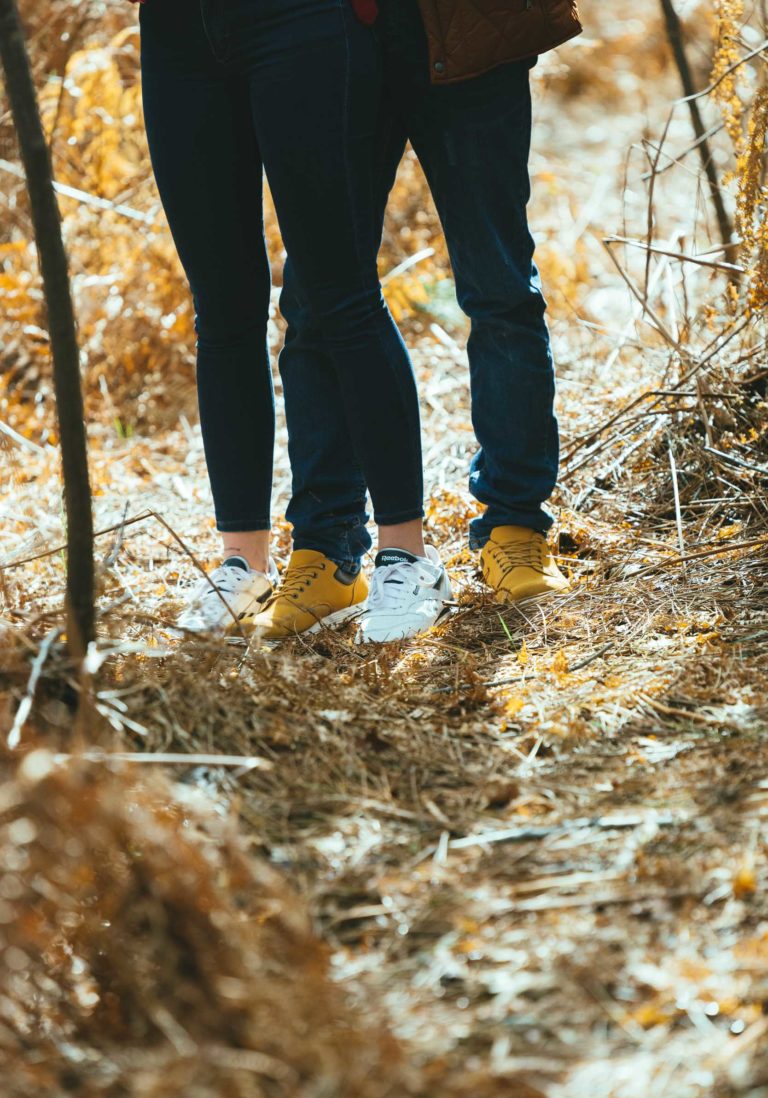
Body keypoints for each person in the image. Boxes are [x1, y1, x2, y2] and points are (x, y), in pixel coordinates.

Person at [245, 0, 582, 644]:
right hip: (330, 35)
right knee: (315, 300)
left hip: (471, 29)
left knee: (500, 287)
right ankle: (327, 552)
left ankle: (514, 525)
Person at [134, 0, 452, 642]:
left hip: (300, 20)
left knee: (343, 296)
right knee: (222, 311)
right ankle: (243, 562)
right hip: (175, 33)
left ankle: (407, 558)